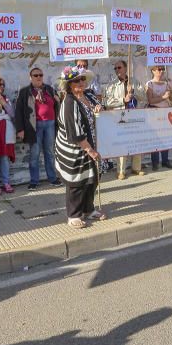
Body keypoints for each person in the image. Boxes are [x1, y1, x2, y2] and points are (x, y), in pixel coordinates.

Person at [54, 67, 105, 228]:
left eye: (83, 79)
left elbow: (100, 109)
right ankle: (73, 215)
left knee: (93, 178)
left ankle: (88, 209)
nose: (81, 82)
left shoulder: (88, 95)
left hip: (92, 143)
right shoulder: (69, 102)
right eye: (77, 80)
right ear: (69, 84)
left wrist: (100, 110)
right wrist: (89, 149)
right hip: (75, 149)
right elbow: (74, 132)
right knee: (76, 181)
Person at [15, 67, 60, 191]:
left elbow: (57, 106)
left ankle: (52, 178)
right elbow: (18, 111)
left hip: (50, 124)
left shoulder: (50, 89)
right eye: (36, 75)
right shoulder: (25, 92)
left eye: (40, 75)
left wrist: (58, 100)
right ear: (31, 77)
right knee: (34, 154)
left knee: (50, 153)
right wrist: (20, 129)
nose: (39, 77)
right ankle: (34, 181)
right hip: (34, 127)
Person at [104, 60, 144, 180]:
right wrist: (123, 100)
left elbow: (144, 97)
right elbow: (107, 102)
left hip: (134, 116)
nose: (117, 70)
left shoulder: (135, 82)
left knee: (136, 142)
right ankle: (121, 170)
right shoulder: (111, 85)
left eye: (119, 67)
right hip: (120, 117)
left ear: (125, 68)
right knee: (122, 143)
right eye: (115, 68)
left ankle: (136, 168)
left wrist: (134, 91)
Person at [144, 65, 172, 168]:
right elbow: (150, 100)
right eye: (159, 69)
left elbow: (171, 99)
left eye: (162, 69)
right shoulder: (149, 83)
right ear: (153, 71)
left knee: (166, 137)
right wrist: (163, 97)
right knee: (155, 138)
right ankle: (155, 162)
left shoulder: (166, 83)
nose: (161, 71)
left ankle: (165, 160)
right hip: (154, 112)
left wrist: (171, 90)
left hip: (165, 112)